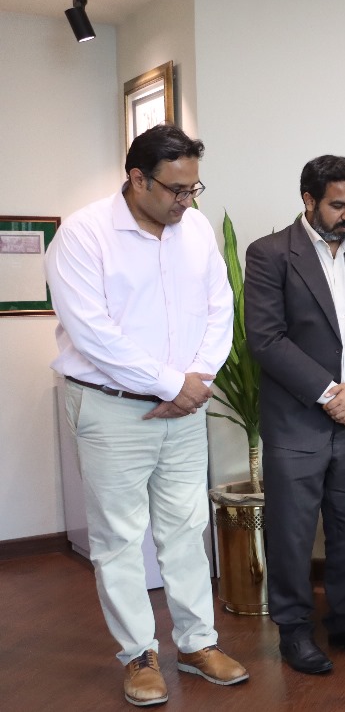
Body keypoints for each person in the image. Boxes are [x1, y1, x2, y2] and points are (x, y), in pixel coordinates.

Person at [45, 124, 248, 706]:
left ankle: (197, 644)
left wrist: (197, 380)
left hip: (185, 407)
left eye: (194, 188)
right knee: (118, 537)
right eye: (176, 190)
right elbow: (93, 332)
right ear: (137, 179)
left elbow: (220, 307)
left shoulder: (196, 229)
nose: (187, 201)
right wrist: (172, 384)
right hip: (111, 410)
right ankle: (138, 654)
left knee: (186, 528)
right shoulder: (83, 234)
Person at [245, 155, 345, 675]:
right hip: (297, 422)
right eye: (338, 205)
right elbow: (266, 339)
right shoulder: (269, 254)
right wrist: (331, 393)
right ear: (308, 200)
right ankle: (293, 631)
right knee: (291, 533)